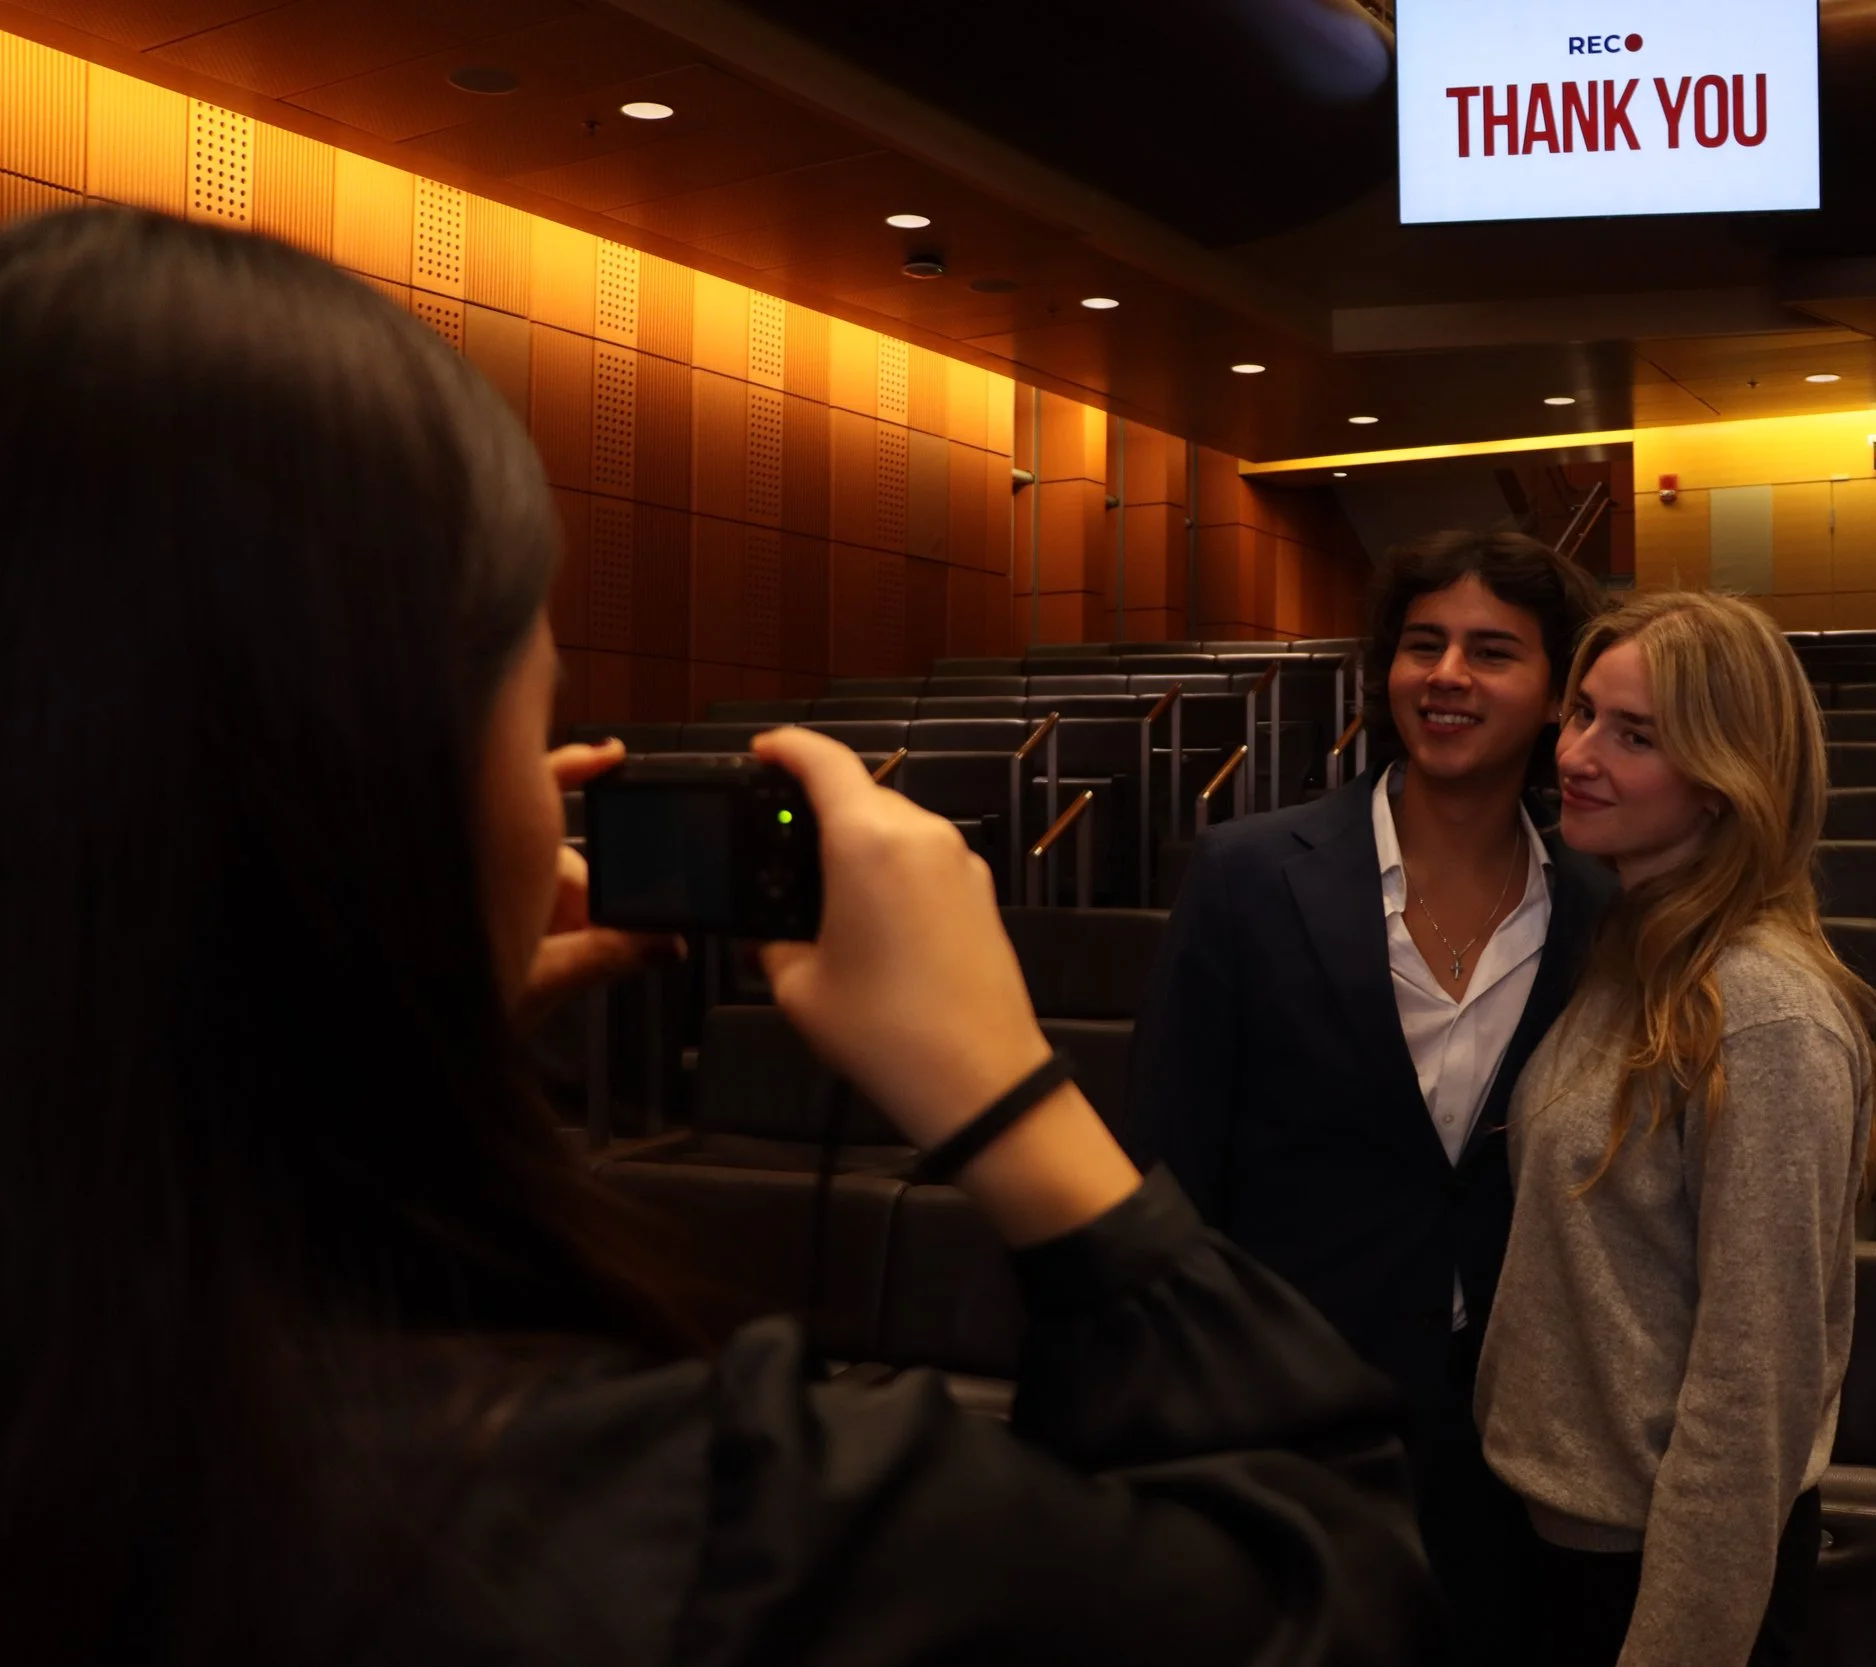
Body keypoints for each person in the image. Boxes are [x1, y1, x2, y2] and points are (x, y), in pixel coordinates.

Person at [0, 207, 1440, 1667]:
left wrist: (359, 1046)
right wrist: (1009, 1093)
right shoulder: (711, 1529)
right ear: (398, 787)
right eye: (538, 702)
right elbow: (1330, 1589)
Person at [1130, 529, 1613, 1664]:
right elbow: (1169, 1160)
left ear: (1555, 696)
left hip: (1517, 1424)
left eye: (1492, 651)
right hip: (1293, 1410)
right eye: (1421, 644)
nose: (1445, 675)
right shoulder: (1247, 871)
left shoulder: (1601, 904)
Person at [1474, 589, 1876, 1667]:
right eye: (1580, 714)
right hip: (1562, 1543)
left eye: (1635, 735)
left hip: (1662, 1574)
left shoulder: (1762, 1011)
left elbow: (1751, 1390)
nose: (1576, 752)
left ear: (1724, 779)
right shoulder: (1631, 950)